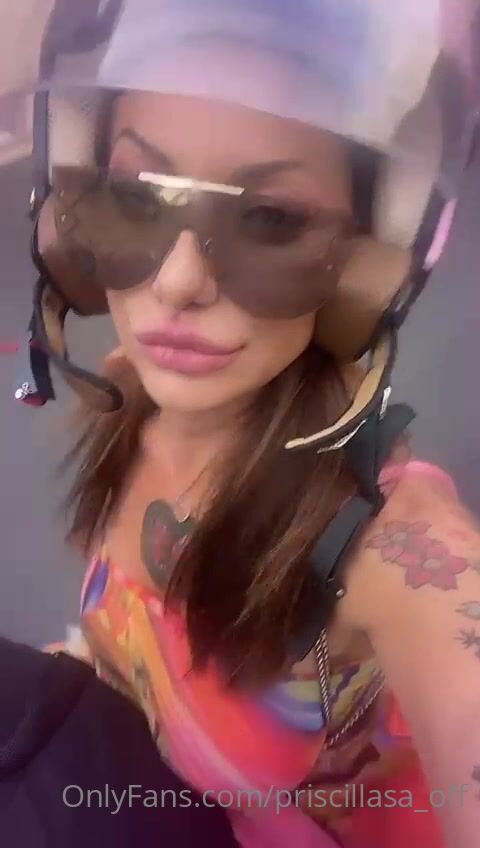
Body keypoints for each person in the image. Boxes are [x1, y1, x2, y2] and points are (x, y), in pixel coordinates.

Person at [7, 0, 480, 845]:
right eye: (136, 196)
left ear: (372, 256)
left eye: (270, 219)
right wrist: (100, 669)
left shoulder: (399, 554)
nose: (178, 282)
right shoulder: (131, 395)